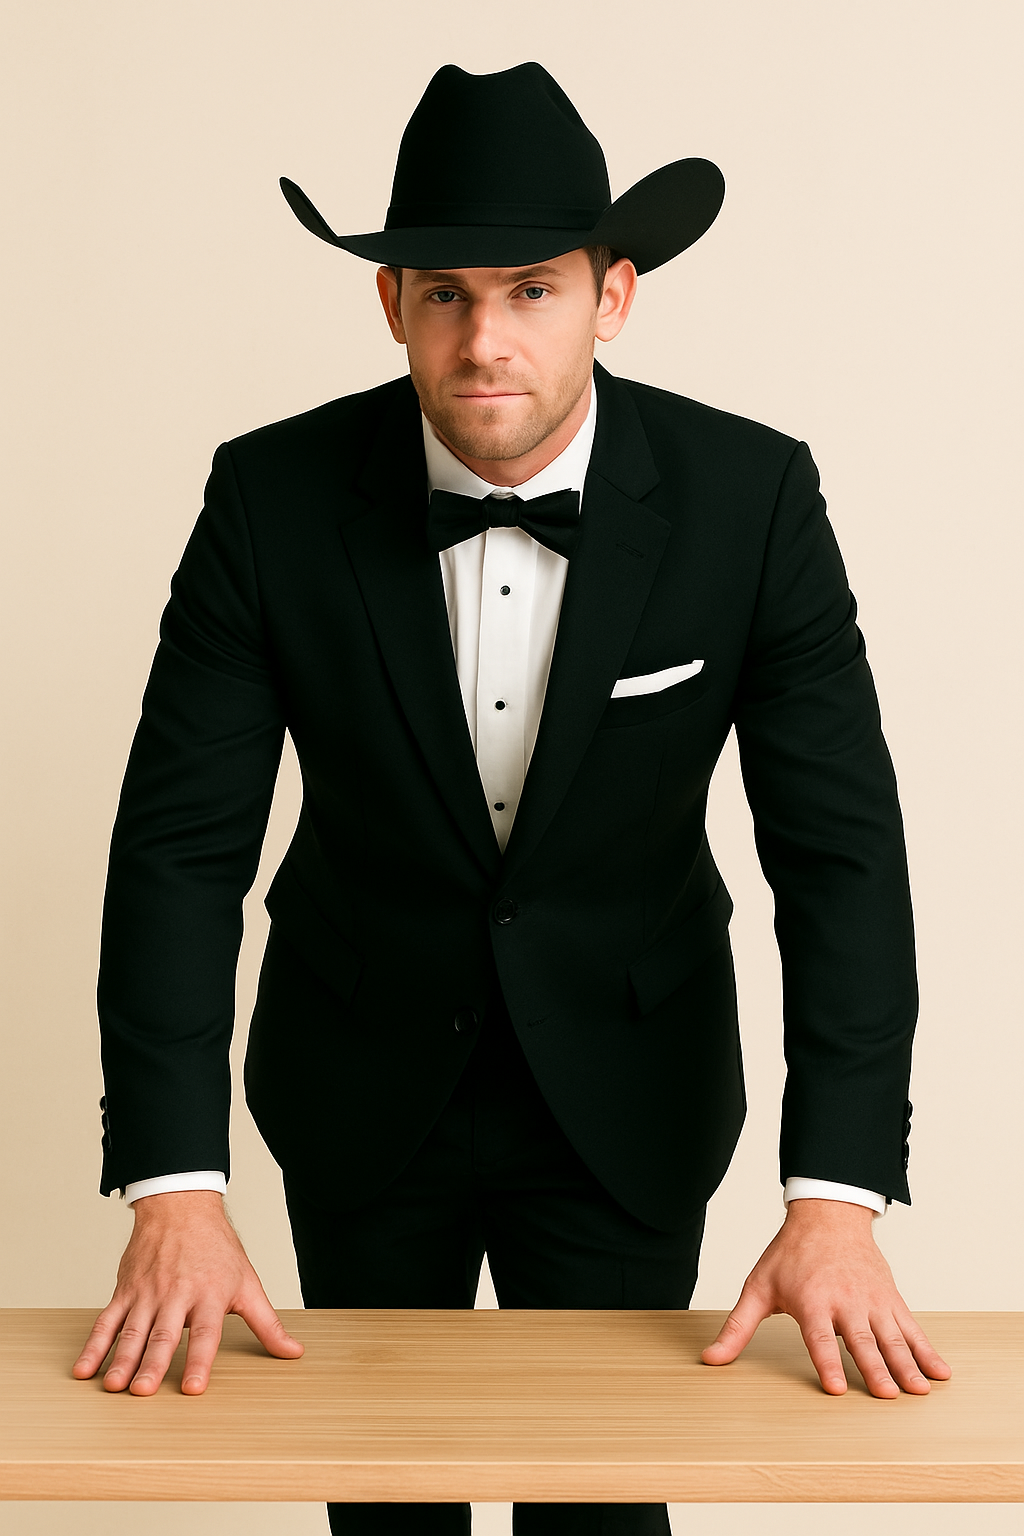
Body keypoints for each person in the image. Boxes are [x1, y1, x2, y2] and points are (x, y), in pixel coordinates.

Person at [73, 61, 950, 1536]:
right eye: (446, 295)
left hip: (631, 1092)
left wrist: (837, 1197)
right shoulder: (268, 501)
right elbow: (178, 851)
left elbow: (841, 856)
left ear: (614, 297)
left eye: (532, 291)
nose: (486, 340)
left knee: (601, 1517)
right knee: (383, 1513)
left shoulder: (752, 502)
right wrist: (174, 1186)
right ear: (391, 304)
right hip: (360, 1087)